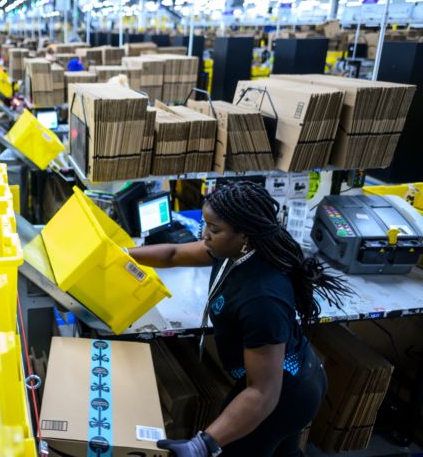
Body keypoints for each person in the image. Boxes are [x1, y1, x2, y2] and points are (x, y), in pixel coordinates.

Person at [127, 181, 351, 457]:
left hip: (284, 397)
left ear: (244, 233)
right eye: (206, 225)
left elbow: (261, 394)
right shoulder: (233, 250)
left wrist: (203, 444)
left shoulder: (262, 299)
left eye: (214, 229)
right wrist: (122, 257)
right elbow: (173, 254)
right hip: (288, 375)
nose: (204, 235)